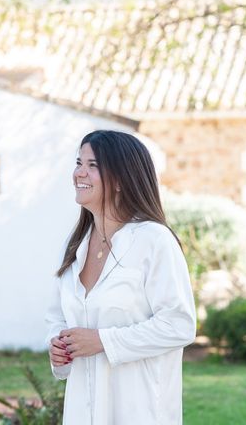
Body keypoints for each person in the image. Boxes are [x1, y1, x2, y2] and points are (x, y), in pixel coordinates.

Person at [46, 130, 196, 425]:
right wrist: (57, 346)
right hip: (81, 411)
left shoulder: (154, 240)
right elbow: (57, 317)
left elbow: (179, 325)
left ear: (120, 179)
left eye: (92, 165)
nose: (79, 173)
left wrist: (103, 341)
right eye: (79, 162)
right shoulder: (76, 244)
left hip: (139, 410)